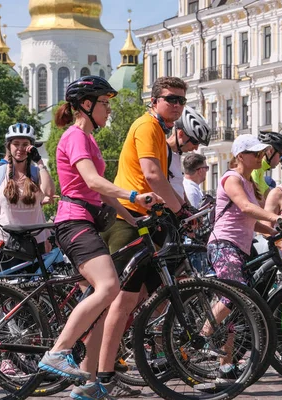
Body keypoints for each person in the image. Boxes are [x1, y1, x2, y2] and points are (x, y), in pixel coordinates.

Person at [36, 76, 161, 400]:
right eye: (105, 103)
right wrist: (135, 192)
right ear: (87, 105)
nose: (109, 110)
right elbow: (92, 182)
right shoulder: (75, 136)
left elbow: (103, 192)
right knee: (109, 288)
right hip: (74, 221)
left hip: (91, 220)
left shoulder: (89, 140)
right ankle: (58, 351)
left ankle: (87, 384)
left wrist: (135, 217)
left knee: (103, 307)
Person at [96, 80, 209, 396]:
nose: (176, 104)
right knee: (118, 301)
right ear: (154, 100)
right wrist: (179, 211)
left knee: (129, 300)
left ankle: (107, 371)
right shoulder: (147, 126)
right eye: (171, 99)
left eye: (181, 100)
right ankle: (101, 377)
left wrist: (181, 208)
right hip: (128, 219)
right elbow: (152, 176)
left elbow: (166, 183)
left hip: (146, 220)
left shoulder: (159, 131)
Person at [206, 134, 282, 380]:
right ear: (240, 156)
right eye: (255, 154)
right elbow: (245, 207)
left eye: (260, 153)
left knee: (233, 305)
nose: (260, 157)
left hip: (239, 246)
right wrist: (274, 217)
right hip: (223, 244)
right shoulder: (232, 178)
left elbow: (251, 222)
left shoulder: (247, 182)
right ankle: (203, 336)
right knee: (236, 293)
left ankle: (225, 366)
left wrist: (276, 232)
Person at [0, 123, 56, 274]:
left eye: (25, 144)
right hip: (5, 244)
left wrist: (39, 161)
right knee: (5, 293)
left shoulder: (36, 172)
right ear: (9, 146)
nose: (20, 148)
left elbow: (49, 192)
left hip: (35, 242)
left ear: (31, 147)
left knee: (34, 292)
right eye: (16, 144)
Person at [166, 106, 211, 199]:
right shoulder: (163, 153)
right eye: (195, 141)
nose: (196, 147)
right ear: (181, 133)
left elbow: (178, 188)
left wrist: (188, 208)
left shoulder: (176, 155)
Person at [251, 131, 282, 199]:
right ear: (270, 151)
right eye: (281, 155)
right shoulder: (255, 169)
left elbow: (271, 197)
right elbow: (254, 198)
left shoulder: (261, 170)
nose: (281, 160)